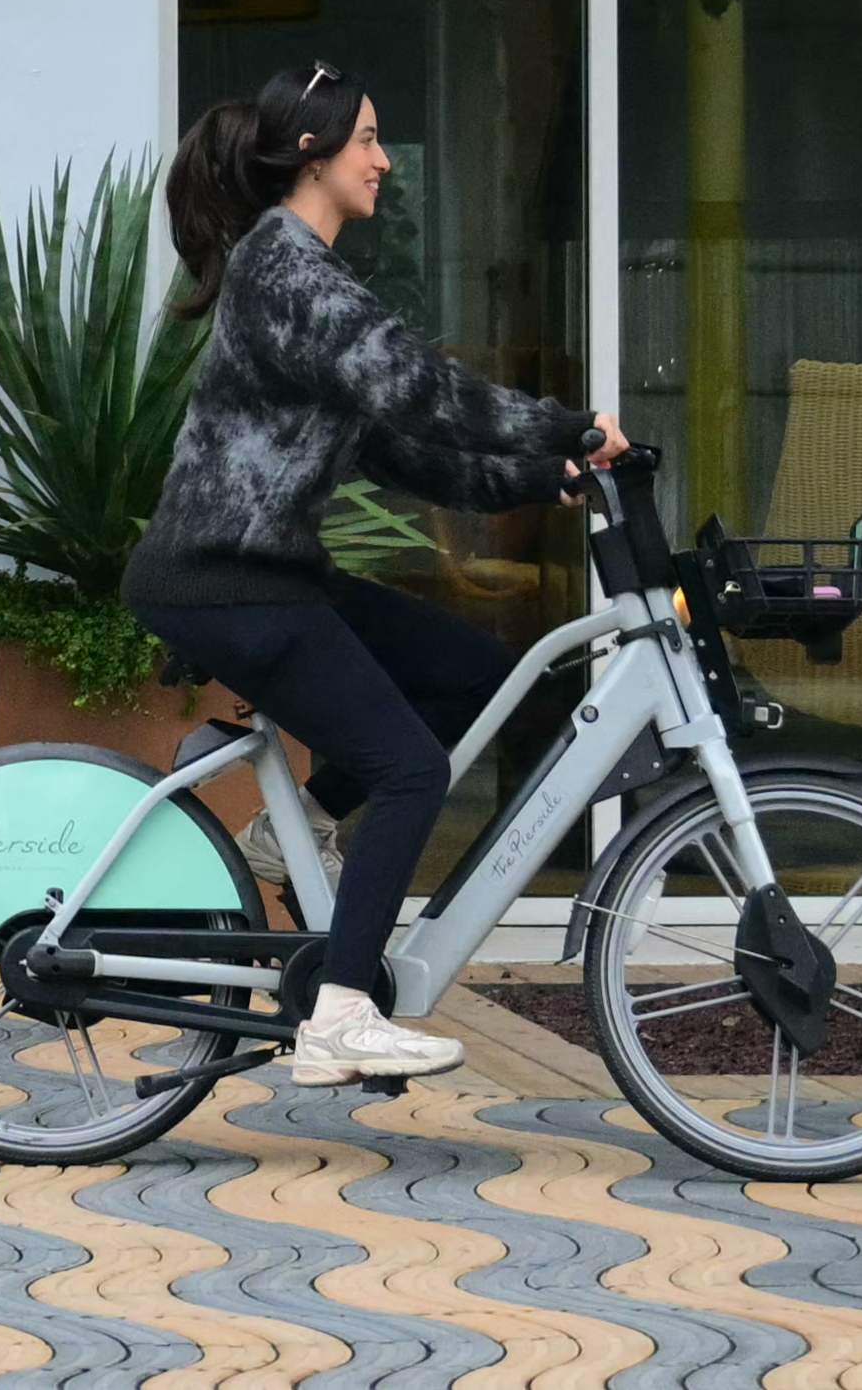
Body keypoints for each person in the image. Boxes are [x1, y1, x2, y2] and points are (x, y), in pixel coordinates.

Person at [129, 61, 626, 1090]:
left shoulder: (299, 276)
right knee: (410, 770)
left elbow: (406, 452)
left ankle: (294, 830)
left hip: (270, 574)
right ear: (311, 152)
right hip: (228, 580)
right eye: (365, 137)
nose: (383, 160)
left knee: (476, 675)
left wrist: (550, 476)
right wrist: (567, 423)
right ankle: (341, 1016)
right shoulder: (287, 271)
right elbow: (423, 388)